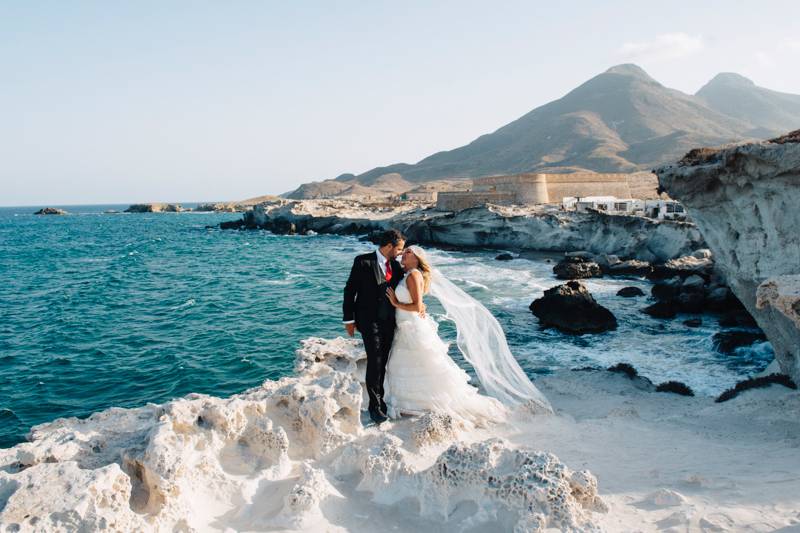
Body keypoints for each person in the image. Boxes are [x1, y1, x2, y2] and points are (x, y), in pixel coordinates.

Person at [384, 245, 551, 426]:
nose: (404, 254)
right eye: (405, 251)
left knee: (421, 363)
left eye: (408, 252)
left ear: (417, 259)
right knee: (408, 363)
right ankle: (409, 402)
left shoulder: (414, 275)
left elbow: (417, 306)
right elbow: (418, 304)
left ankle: (423, 403)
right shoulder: (407, 274)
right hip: (405, 325)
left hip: (412, 326)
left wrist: (394, 302)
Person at [342, 229, 408, 424]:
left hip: (389, 321)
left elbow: (411, 283)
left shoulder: (395, 267)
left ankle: (380, 399)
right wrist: (349, 320)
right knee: (376, 360)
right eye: (399, 249)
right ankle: (375, 406)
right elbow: (349, 291)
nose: (400, 253)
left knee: (383, 360)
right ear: (389, 246)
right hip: (368, 320)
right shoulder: (362, 261)